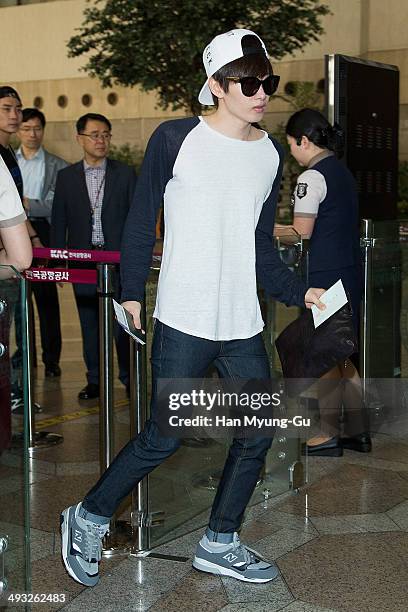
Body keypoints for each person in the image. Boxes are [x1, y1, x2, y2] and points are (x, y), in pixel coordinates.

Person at [60, 29, 325, 587]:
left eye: (267, 81)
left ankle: (219, 540)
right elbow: (138, 221)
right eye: (247, 81)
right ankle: (86, 516)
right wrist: (130, 293)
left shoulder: (270, 155)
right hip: (184, 317)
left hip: (242, 323)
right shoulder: (174, 138)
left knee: (257, 432)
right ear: (215, 85)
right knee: (165, 435)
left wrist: (296, 291)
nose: (261, 92)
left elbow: (258, 244)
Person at [284, 108, 372, 456]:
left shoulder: (311, 178)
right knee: (343, 353)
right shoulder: (344, 174)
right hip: (348, 273)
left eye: (291, 144)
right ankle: (357, 431)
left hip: (323, 280)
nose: (291, 151)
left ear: (303, 141)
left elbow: (300, 232)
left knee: (322, 355)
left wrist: (261, 230)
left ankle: (327, 433)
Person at [51, 113, 136, 400]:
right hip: (82, 262)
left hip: (118, 261)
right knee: (89, 323)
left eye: (106, 135)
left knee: (122, 325)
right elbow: (58, 220)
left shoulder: (124, 174)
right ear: (80, 138)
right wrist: (56, 261)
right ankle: (96, 380)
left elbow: (136, 219)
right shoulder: (65, 178)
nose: (101, 140)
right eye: (95, 135)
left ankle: (128, 378)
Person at [16, 108, 68, 378]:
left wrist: (26, 206)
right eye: (26, 129)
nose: (32, 134)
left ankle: (51, 359)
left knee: (47, 301)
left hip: (44, 236)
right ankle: (23, 356)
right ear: (19, 131)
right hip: (13, 234)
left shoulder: (58, 165)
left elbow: (54, 206)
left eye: (37, 128)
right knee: (17, 302)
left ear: (43, 130)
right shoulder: (8, 162)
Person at [0, 85, 42, 414]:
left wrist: (34, 238)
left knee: (15, 326)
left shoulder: (8, 154)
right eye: (6, 108)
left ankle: (13, 389)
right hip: (7, 260)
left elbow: (15, 210)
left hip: (11, 254)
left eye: (18, 108)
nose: (15, 115)